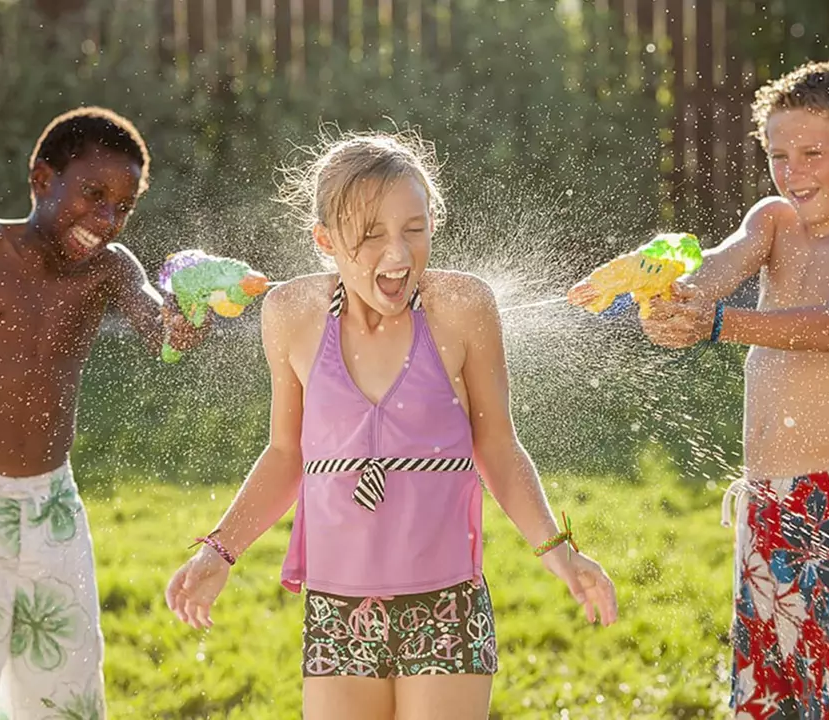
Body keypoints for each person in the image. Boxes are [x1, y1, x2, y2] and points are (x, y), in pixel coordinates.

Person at [165, 130, 618, 720]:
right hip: (337, 606)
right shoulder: (291, 314)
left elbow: (499, 449)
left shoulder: (461, 307)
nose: (398, 255)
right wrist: (218, 553)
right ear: (325, 240)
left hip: (446, 604)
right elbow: (285, 456)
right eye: (371, 235)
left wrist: (561, 554)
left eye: (415, 229)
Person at [0, 106, 206, 719]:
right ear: (41, 179)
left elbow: (155, 323)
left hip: (53, 505)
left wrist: (179, 326)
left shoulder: (111, 269)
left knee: (66, 690)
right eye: (93, 194)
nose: (107, 219)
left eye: (123, 206)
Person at [633, 51, 829, 719]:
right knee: (771, 692)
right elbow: (712, 272)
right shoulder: (774, 221)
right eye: (778, 155)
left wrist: (711, 325)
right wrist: (657, 286)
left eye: (812, 154)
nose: (792, 174)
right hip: (763, 500)